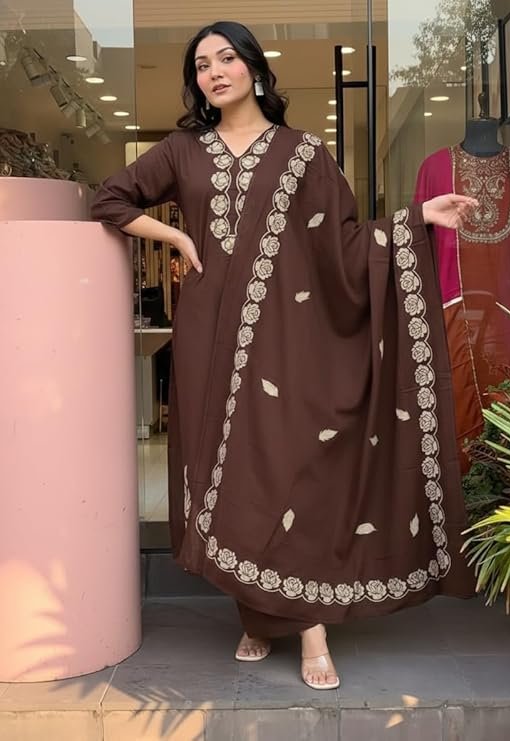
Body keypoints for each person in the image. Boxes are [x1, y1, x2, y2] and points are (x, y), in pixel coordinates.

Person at [91, 21, 477, 691]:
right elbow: (110, 199)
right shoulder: (182, 151)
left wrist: (416, 218)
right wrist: (177, 239)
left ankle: (307, 624)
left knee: (284, 471)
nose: (214, 71)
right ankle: (259, 615)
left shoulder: (303, 154)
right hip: (206, 338)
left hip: (288, 341)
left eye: (226, 58)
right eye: (202, 64)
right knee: (228, 475)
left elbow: (345, 244)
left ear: (254, 69)